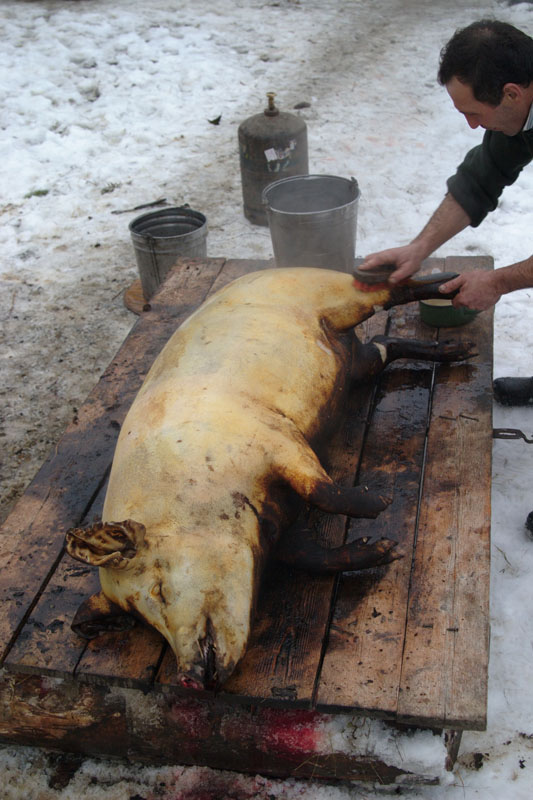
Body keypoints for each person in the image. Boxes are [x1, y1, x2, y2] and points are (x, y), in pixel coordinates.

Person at [361, 19, 533, 407]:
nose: (472, 126)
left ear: (510, 94)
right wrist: (418, 248)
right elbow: (483, 175)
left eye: (474, 113)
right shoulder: (520, 98)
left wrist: (500, 281)